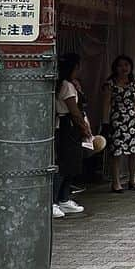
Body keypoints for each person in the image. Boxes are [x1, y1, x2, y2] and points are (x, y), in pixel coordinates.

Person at [100, 55, 135, 193]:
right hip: (117, 120)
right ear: (115, 68)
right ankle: (116, 181)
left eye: (126, 65)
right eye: (120, 65)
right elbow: (106, 104)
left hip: (132, 119)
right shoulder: (110, 84)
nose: (124, 68)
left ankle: (133, 179)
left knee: (134, 150)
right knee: (117, 151)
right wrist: (105, 122)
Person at [54, 54, 90, 218]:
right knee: (64, 164)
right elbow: (74, 111)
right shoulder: (66, 86)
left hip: (70, 126)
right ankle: (55, 201)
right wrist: (83, 128)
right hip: (68, 126)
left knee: (72, 164)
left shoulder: (71, 85)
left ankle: (64, 198)